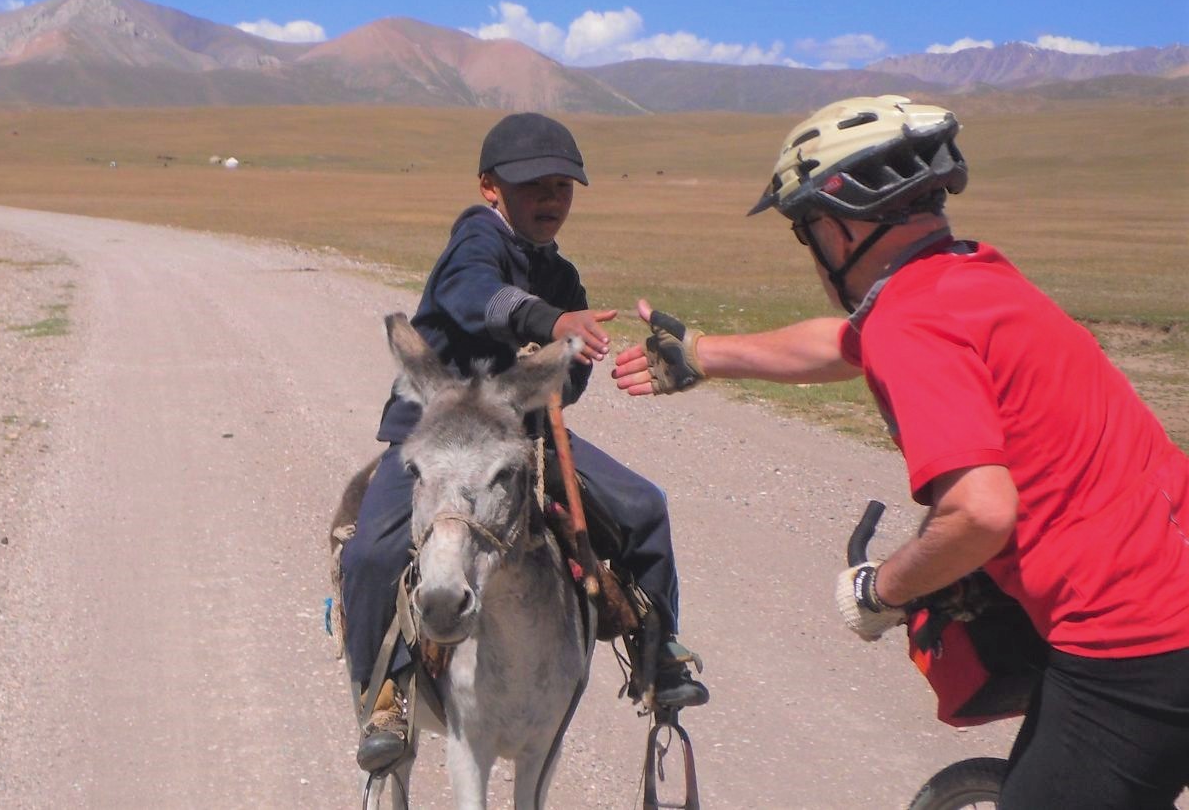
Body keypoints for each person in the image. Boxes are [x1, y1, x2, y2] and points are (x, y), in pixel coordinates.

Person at [610, 95, 1189, 808]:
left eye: (804, 230)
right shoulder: (972, 275)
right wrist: (705, 354)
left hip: (1134, 640)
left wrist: (881, 589)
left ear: (838, 226)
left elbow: (979, 513)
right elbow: (848, 342)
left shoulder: (910, 322)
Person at [339, 112, 709, 773]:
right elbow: (477, 298)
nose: (550, 199)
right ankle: (384, 696)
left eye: (562, 187)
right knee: (371, 553)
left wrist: (573, 361)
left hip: (517, 441)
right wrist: (549, 320)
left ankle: (660, 658)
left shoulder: (561, 275)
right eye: (533, 185)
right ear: (490, 187)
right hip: (436, 436)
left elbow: (569, 381)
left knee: (643, 507)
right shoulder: (474, 241)